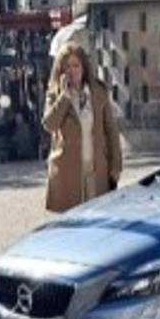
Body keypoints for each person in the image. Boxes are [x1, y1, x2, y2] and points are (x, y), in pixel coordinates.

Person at [42, 43, 123, 212]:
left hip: (96, 169)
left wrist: (116, 165)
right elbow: (49, 124)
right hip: (68, 172)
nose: (72, 71)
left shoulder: (99, 92)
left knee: (98, 221)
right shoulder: (54, 94)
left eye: (76, 65)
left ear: (83, 67)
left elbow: (111, 131)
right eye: (67, 67)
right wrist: (64, 98)